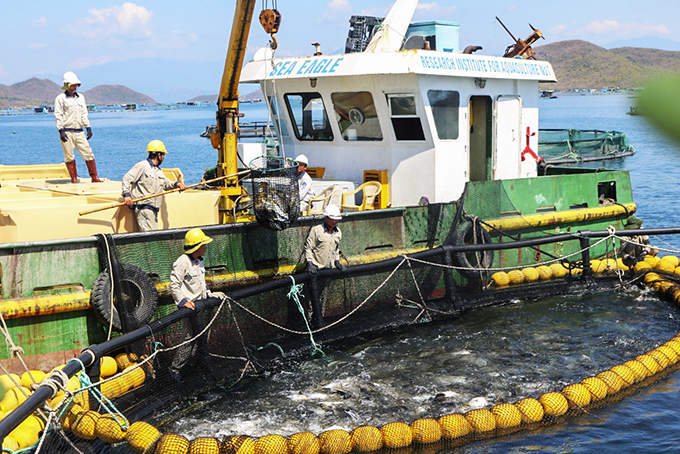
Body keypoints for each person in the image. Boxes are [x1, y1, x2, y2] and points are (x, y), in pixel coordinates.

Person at [169, 228, 226, 382]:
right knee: (189, 337)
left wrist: (210, 293)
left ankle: (195, 362)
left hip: (202, 305)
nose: (206, 247)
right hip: (190, 308)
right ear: (197, 246)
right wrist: (183, 302)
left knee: (203, 334)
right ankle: (175, 368)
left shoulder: (199, 260)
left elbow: (201, 282)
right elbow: (174, 285)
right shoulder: (182, 262)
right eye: (203, 244)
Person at [122, 140, 187, 232]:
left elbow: (166, 183)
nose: (164, 158)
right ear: (158, 155)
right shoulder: (142, 166)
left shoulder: (158, 171)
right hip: (144, 208)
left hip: (154, 210)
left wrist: (177, 184)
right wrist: (127, 195)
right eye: (163, 155)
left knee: (153, 236)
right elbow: (127, 178)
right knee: (149, 238)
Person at [301, 204, 345, 327]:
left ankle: (320, 319)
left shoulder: (338, 232)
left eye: (336, 219)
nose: (335, 221)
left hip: (328, 270)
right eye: (332, 218)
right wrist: (309, 263)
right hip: (315, 269)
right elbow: (308, 247)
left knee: (323, 296)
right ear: (326, 218)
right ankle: (309, 322)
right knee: (310, 298)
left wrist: (337, 261)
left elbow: (336, 249)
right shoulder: (316, 230)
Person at [54, 71, 102, 183]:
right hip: (66, 131)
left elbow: (84, 114)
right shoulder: (60, 98)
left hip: (79, 131)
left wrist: (88, 127)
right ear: (67, 85)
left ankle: (94, 177)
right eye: (72, 85)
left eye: (76, 85)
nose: (74, 87)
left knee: (88, 153)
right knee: (69, 155)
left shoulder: (81, 98)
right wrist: (60, 130)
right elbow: (58, 115)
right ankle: (74, 179)